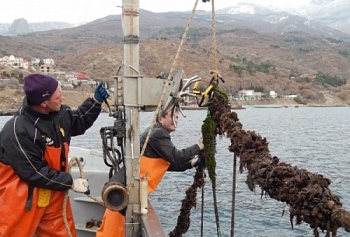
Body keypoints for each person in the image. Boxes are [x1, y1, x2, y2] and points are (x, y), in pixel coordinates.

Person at [0, 73, 110, 237]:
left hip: (54, 197)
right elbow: (34, 172)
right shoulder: (17, 130)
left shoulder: (60, 114)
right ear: (44, 102)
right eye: (58, 96)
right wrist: (71, 183)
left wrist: (95, 101)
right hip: (23, 202)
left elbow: (79, 120)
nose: (63, 98)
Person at [96, 108, 204, 236]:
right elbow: (177, 157)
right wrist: (199, 146)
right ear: (160, 119)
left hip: (127, 195)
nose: (175, 120)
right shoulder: (158, 134)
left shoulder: (156, 133)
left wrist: (194, 162)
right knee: (114, 232)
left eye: (177, 117)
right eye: (171, 116)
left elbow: (170, 164)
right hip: (124, 198)